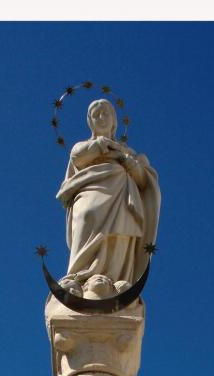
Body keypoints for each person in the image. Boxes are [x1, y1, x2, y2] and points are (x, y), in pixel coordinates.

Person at [56, 99, 160, 294]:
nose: (101, 118)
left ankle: (115, 280)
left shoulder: (128, 152)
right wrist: (103, 145)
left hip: (122, 197)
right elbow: (78, 157)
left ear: (114, 121)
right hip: (89, 192)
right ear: (90, 121)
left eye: (106, 114)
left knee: (119, 235)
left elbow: (143, 181)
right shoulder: (83, 146)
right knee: (87, 218)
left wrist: (129, 163)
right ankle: (78, 277)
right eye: (96, 115)